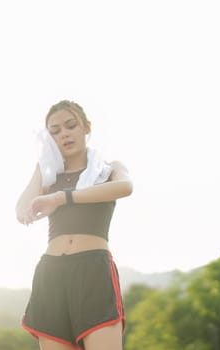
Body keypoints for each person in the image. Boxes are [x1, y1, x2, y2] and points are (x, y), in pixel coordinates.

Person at [16, 100, 133, 350]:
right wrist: (41, 165)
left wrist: (61, 198)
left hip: (93, 271)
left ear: (86, 127)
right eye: (55, 131)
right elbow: (22, 211)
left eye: (70, 126)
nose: (64, 134)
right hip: (52, 274)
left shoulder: (108, 170)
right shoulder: (49, 177)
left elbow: (125, 187)